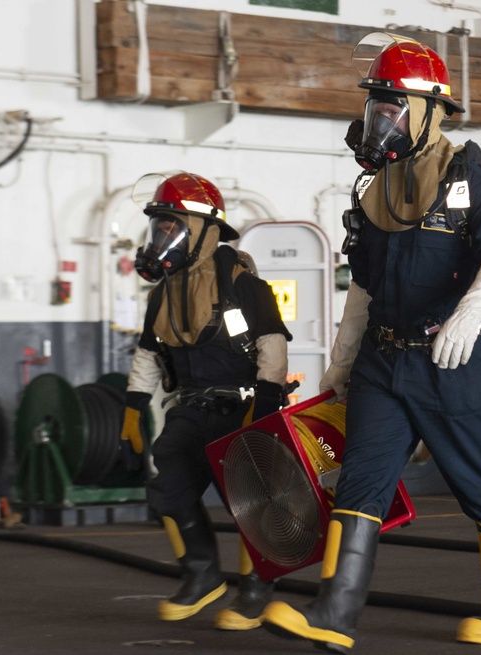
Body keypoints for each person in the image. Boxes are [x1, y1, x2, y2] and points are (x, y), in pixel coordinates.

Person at [261, 34, 481, 651]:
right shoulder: (377, 191)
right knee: (361, 480)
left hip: (452, 362)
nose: (381, 120)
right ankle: (334, 614)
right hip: (385, 361)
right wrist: (342, 363)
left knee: (477, 482)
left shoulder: (469, 183)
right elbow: (364, 286)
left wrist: (470, 316)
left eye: (395, 107)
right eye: (377, 107)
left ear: (431, 112)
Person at [119, 171, 292, 630]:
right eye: (158, 227)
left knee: (252, 503)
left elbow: (272, 347)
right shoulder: (163, 296)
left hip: (245, 408)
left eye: (171, 227)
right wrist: (133, 411)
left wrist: (267, 409)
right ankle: (202, 575)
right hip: (191, 410)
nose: (161, 237)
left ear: (201, 231)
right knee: (168, 488)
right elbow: (149, 355)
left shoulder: (245, 287)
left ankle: (255, 592)